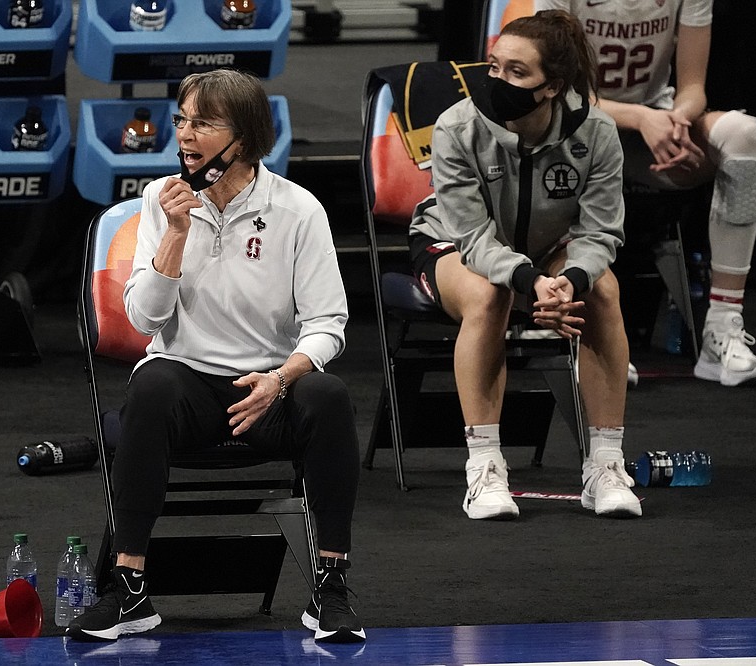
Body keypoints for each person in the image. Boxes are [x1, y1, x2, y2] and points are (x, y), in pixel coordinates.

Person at [65, 68, 366, 644]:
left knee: (328, 395)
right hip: (188, 385)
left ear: (245, 139)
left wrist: (281, 378)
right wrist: (177, 232)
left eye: (202, 122)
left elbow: (328, 324)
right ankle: (129, 590)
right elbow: (146, 321)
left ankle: (330, 585)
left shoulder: (298, 210)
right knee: (150, 386)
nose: (184, 132)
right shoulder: (159, 200)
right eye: (181, 119)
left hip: (270, 387)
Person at [409, 10, 642, 520]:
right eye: (494, 67)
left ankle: (604, 465)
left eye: (517, 72)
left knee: (602, 289)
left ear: (552, 86)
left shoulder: (596, 133)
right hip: (451, 244)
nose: (498, 80)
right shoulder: (457, 127)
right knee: (489, 294)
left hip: (548, 247)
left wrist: (568, 280)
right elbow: (472, 237)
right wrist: (532, 281)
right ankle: (485, 470)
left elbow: (600, 232)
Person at [534, 0, 756, 388]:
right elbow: (556, 91)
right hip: (573, 129)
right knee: (554, 137)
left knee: (742, 136)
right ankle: (589, 336)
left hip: (652, 134)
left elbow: (693, 87)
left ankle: (721, 330)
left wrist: (675, 122)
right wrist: (641, 118)